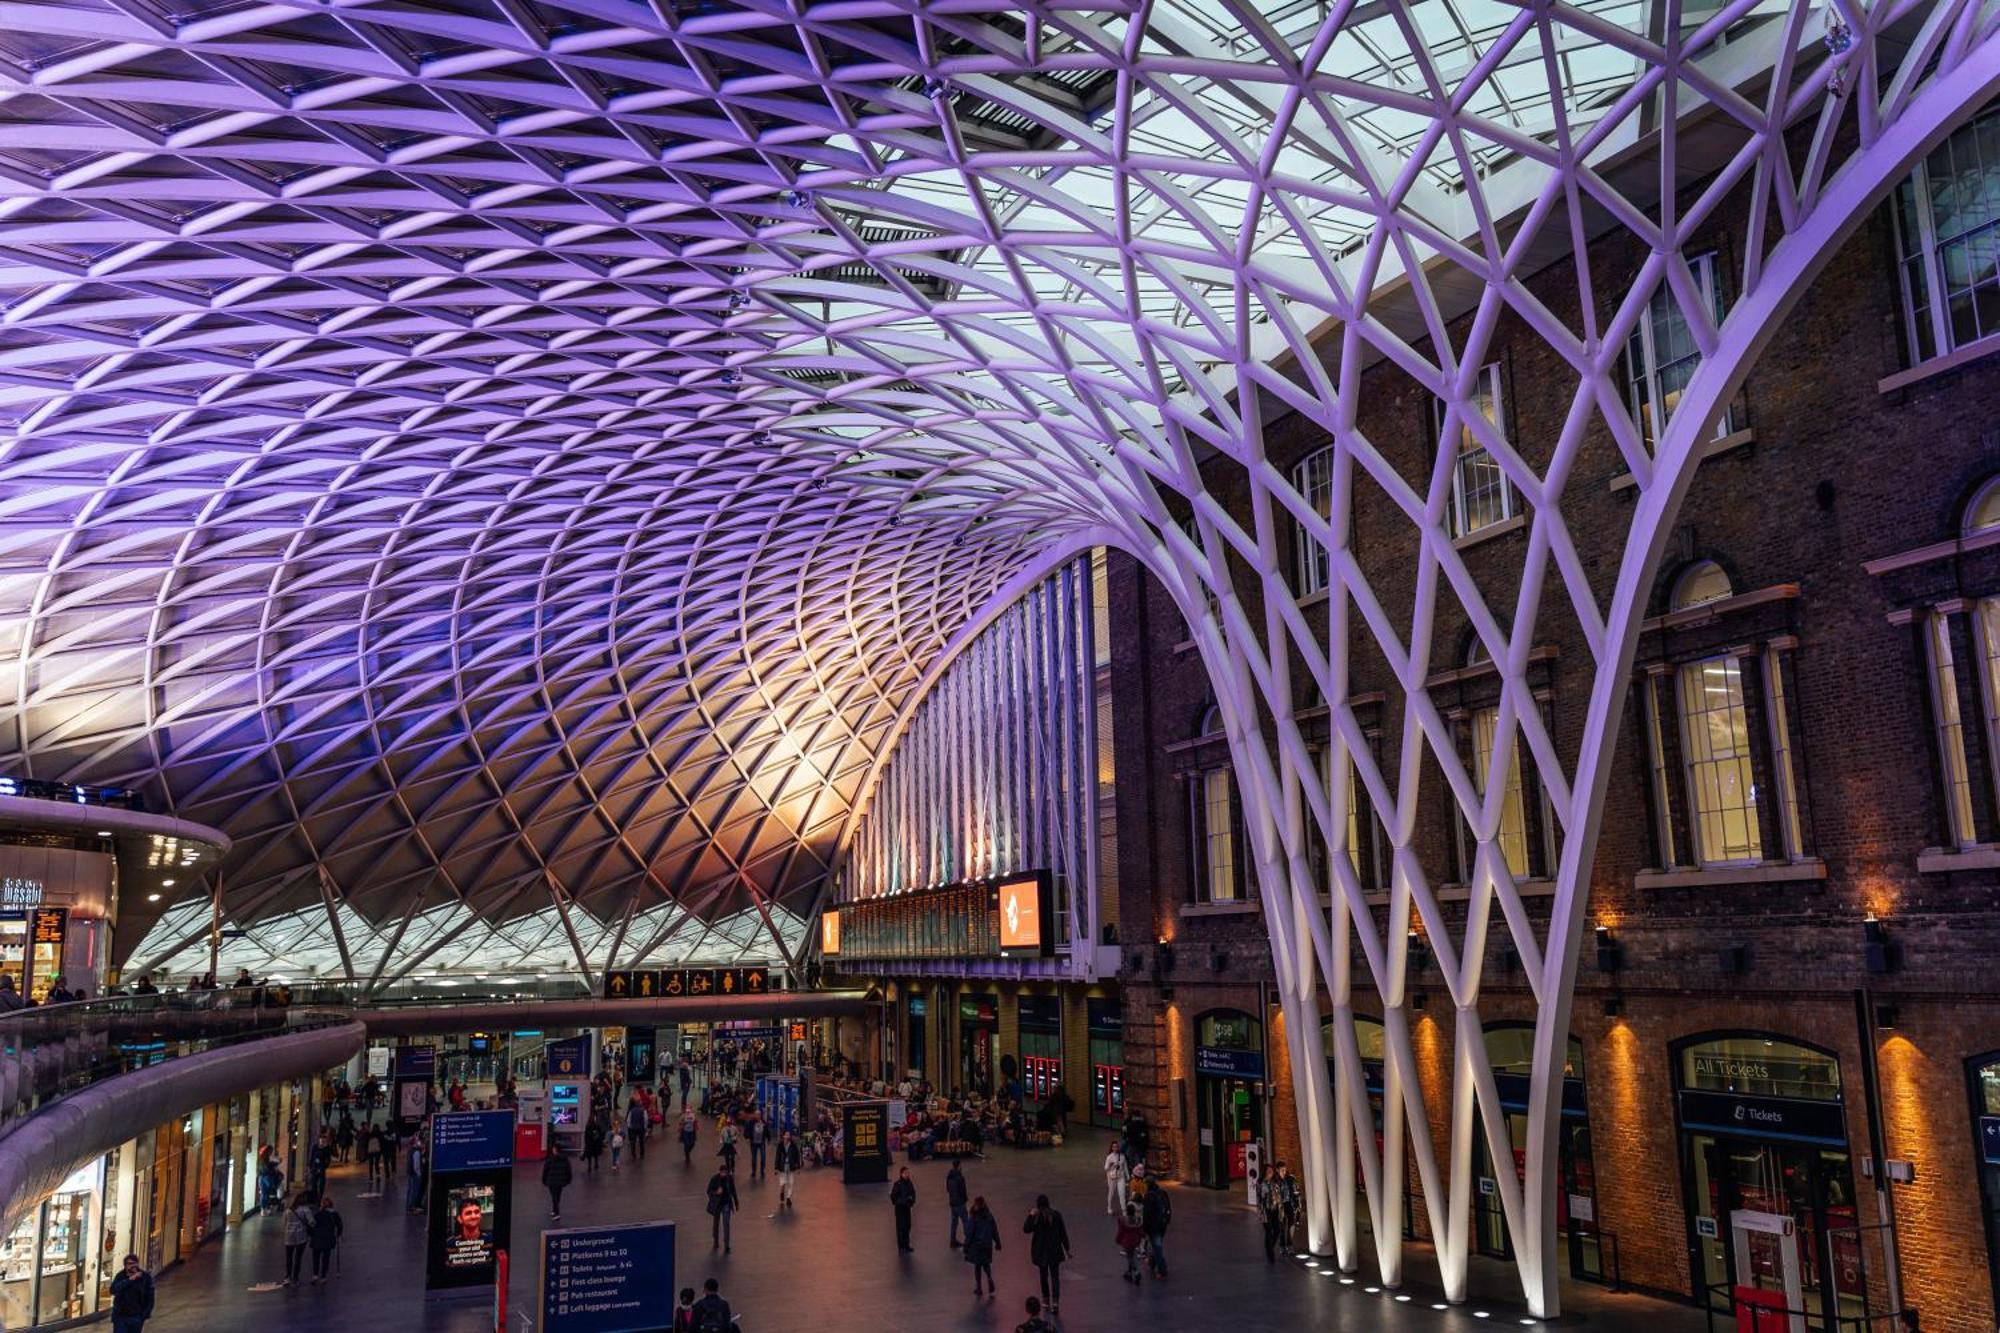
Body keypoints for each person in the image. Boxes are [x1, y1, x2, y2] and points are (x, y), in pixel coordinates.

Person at [1022, 1193, 1071, 1312]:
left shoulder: (1036, 1217)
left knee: (1043, 1277)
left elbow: (1026, 1229)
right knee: (1055, 1277)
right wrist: (1067, 1249)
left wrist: (1030, 1215)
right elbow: (1063, 1234)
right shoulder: (1056, 1215)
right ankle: (1055, 1302)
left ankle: (1045, 1301)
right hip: (1054, 1251)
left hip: (1041, 1252)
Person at [962, 1195, 1000, 1298]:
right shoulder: (989, 1216)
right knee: (986, 1264)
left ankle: (979, 1287)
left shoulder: (974, 1217)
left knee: (977, 1266)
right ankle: (989, 1277)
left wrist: (966, 1246)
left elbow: (970, 1233)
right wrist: (997, 1242)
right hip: (987, 1244)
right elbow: (994, 1230)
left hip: (977, 1245)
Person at [109, 1254, 154, 1333]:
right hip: (121, 1317)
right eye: (130, 1264)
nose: (133, 1266)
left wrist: (145, 1314)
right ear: (125, 1266)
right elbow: (113, 1290)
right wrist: (130, 1280)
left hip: (136, 1317)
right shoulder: (120, 1276)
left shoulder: (145, 1278)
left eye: (134, 1263)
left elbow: (150, 1297)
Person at [282, 1190, 316, 1285]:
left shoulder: (288, 1210)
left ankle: (287, 1277)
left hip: (289, 1237)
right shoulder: (305, 1209)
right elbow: (312, 1222)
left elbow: (284, 1223)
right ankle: (295, 1278)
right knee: (298, 1258)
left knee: (289, 1257)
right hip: (301, 1236)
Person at [1141, 1172, 1171, 1279]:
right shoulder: (1162, 1192)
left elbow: (1146, 1214)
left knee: (1157, 1247)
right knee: (1155, 1244)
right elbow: (1168, 1207)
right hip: (1163, 1224)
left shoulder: (1149, 1196)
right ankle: (1151, 1262)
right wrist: (1167, 1220)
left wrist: (1144, 1228)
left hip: (1154, 1226)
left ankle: (1162, 1271)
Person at [705, 1163, 739, 1251]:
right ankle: (716, 1241)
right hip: (717, 1204)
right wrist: (716, 1192)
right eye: (722, 1172)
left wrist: (736, 1203)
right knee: (716, 1224)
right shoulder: (715, 1179)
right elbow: (708, 1191)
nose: (724, 1174)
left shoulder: (730, 1178)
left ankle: (726, 1244)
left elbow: (733, 1190)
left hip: (726, 1203)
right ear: (720, 1172)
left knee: (726, 1223)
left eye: (725, 1172)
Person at [309, 1194, 343, 1282]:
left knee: (316, 1257)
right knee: (326, 1258)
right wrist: (338, 1234)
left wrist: (311, 1234)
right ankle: (323, 1276)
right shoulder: (335, 1214)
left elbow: (311, 1225)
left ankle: (315, 1274)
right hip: (328, 1238)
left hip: (317, 1238)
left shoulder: (317, 1214)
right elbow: (340, 1226)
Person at [1115, 1198, 1146, 1285]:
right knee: (1132, 1255)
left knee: (1130, 1257)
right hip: (1135, 1241)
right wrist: (1143, 1236)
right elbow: (1140, 1231)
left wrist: (1118, 1239)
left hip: (1127, 1241)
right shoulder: (1137, 1221)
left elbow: (1121, 1231)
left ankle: (1136, 1272)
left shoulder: (1123, 1220)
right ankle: (1129, 1272)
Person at [1257, 1163, 1283, 1262]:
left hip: (1275, 1209)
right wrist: (1260, 1211)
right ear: (1264, 1172)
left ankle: (1270, 1248)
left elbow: (1279, 1194)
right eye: (1268, 1171)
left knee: (1277, 1230)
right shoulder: (1260, 1183)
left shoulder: (1275, 1182)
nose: (1270, 1173)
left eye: (1271, 1171)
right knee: (1268, 1232)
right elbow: (1259, 1198)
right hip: (1266, 1210)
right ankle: (1270, 1255)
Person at [542, 1144, 573, 1220]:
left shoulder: (550, 1159)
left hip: (551, 1181)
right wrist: (568, 1180)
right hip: (561, 1181)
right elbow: (568, 1170)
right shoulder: (565, 1159)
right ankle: (554, 1210)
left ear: (555, 1150)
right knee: (557, 1196)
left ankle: (557, 1213)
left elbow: (545, 1170)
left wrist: (544, 1180)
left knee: (554, 1197)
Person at [889, 1166, 916, 1253]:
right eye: (906, 1173)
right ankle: (901, 1247)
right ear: (901, 1174)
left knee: (907, 1226)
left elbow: (913, 1193)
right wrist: (903, 1201)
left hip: (907, 1208)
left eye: (908, 1173)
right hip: (900, 1209)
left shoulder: (909, 1183)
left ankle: (906, 1245)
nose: (907, 1175)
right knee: (901, 1228)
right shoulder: (898, 1184)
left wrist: (912, 1201)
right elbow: (893, 1197)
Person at [945, 1157, 970, 1247]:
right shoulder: (960, 1177)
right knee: (965, 1221)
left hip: (952, 1202)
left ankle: (952, 1241)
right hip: (960, 1203)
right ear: (959, 1166)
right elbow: (963, 1191)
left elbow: (947, 1188)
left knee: (954, 1222)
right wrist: (965, 1199)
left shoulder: (949, 1176)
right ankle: (968, 1241)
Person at [774, 1129, 801, 1209]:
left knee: (791, 1183)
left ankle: (788, 1197)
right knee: (783, 1183)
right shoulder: (780, 1145)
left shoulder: (793, 1145)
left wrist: (798, 1167)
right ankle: (782, 1192)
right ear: (783, 1136)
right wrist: (776, 1167)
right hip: (782, 1166)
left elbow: (797, 1156)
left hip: (791, 1166)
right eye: (786, 1135)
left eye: (789, 1135)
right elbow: (777, 1156)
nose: (787, 1136)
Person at [1102, 1137, 1128, 1215]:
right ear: (1111, 1148)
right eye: (1114, 1146)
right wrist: (1112, 1166)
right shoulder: (1109, 1157)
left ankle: (1124, 1210)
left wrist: (1128, 1176)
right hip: (1112, 1178)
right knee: (1111, 1193)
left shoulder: (1122, 1156)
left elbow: (1125, 1167)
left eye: (1116, 1146)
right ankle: (1109, 1207)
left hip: (1121, 1177)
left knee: (1122, 1193)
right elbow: (1106, 1168)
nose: (1115, 1148)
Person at [308, 1128, 333, 1199]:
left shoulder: (327, 1148)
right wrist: (310, 1167)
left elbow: (328, 1160)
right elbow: (312, 1157)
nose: (322, 1141)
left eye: (323, 1140)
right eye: (321, 1139)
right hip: (314, 1167)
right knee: (314, 1184)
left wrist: (324, 1166)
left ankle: (320, 1197)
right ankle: (314, 1197)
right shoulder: (315, 1147)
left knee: (321, 1184)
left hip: (321, 1168)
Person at [405, 1136, 427, 1214]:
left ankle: (408, 1206)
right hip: (415, 1174)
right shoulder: (416, 1152)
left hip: (410, 1173)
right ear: (415, 1143)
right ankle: (413, 1207)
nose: (420, 1143)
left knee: (410, 1190)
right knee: (414, 1191)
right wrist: (419, 1174)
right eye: (418, 1141)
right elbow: (416, 1165)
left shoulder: (410, 1151)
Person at [626, 1097, 649, 1161]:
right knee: (641, 1142)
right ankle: (641, 1154)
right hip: (641, 1128)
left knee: (633, 1142)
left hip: (633, 1128)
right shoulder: (643, 1111)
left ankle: (633, 1155)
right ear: (639, 1103)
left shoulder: (631, 1111)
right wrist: (645, 1127)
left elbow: (628, 1120)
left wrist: (630, 1127)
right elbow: (646, 1120)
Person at [747, 1114, 767, 1178]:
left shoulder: (763, 1122)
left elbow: (767, 1130)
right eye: (756, 1115)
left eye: (759, 1114)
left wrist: (768, 1138)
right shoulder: (751, 1123)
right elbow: (747, 1131)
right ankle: (753, 1172)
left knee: (763, 1158)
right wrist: (747, 1137)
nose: (757, 1116)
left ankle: (762, 1171)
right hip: (753, 1143)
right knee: (754, 1158)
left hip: (761, 1143)